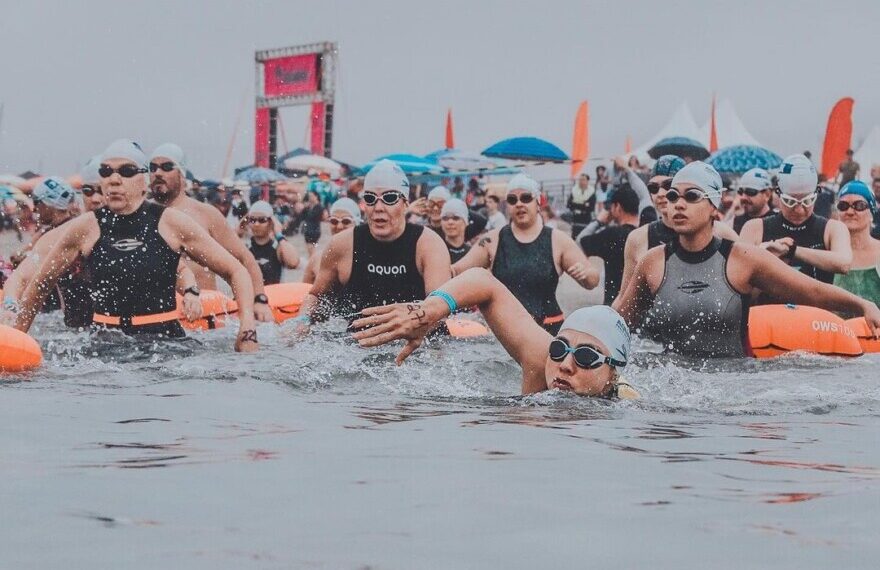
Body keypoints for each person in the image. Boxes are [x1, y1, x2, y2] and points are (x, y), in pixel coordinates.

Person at [8, 139, 258, 351]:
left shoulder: (171, 223)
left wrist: (247, 330)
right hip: (105, 346)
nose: (114, 179)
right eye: (106, 172)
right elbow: (40, 285)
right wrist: (17, 342)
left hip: (166, 345)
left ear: (144, 180)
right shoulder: (85, 228)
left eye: (126, 171)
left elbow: (235, 270)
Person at [613, 161, 880, 357]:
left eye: (692, 196)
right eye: (673, 196)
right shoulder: (653, 262)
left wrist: (862, 305)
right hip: (672, 386)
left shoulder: (741, 258)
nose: (678, 204)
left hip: (733, 388)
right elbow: (618, 322)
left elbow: (809, 290)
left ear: (714, 207)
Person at [348, 269, 637, 398]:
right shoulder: (541, 361)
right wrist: (431, 310)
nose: (565, 364)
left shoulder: (628, 405)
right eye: (559, 348)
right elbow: (484, 282)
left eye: (586, 356)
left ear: (612, 373)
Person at [296, 160, 450, 328]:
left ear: (406, 204)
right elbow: (317, 296)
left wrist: (411, 320)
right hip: (356, 347)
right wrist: (301, 323)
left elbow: (440, 309)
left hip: (415, 346)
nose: (378, 207)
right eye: (370, 199)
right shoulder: (342, 245)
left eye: (389, 198)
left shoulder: (429, 245)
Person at [452, 174, 600, 334]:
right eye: (512, 200)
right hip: (504, 332)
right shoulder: (492, 240)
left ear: (538, 202)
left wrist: (585, 275)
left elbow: (593, 280)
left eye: (526, 198)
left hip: (548, 329)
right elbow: (457, 272)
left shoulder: (557, 240)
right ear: (507, 205)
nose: (519, 204)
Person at [148, 143, 275, 323]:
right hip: (158, 319)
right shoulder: (141, 216)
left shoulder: (205, 214)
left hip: (205, 319)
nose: (158, 173)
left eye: (167, 167)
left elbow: (244, 258)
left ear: (182, 174)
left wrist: (259, 299)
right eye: (152, 168)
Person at [618, 155, 737, 297]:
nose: (661, 194)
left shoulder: (721, 232)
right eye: (653, 188)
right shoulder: (638, 238)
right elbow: (625, 300)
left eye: (668, 186)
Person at [740, 154, 851, 300]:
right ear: (777, 194)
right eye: (790, 201)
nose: (799, 209)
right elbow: (739, 288)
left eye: (807, 201)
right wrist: (765, 260)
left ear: (817, 193)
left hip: (814, 320)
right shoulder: (754, 228)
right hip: (768, 320)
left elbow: (843, 263)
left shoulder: (833, 229)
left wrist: (792, 250)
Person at [578, 185, 640, 305]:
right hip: (641, 306)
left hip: (615, 305)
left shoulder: (612, 235)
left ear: (618, 207)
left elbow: (579, 243)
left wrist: (598, 222)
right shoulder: (647, 231)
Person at [832, 181, 880, 312]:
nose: (850, 211)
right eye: (843, 206)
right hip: (836, 331)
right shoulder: (828, 253)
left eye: (859, 205)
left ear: (872, 213)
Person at [302, 197, 361, 284]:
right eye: (334, 221)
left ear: (357, 224)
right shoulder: (317, 259)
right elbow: (305, 293)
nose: (339, 226)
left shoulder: (366, 258)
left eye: (346, 221)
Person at [245, 200, 300, 286]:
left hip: (273, 297)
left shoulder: (277, 247)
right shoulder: (245, 247)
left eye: (262, 220)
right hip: (250, 297)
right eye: (252, 220)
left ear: (271, 223)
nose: (256, 224)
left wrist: (279, 235)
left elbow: (293, 262)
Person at [732, 168, 775, 234]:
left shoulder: (777, 222)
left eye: (750, 191)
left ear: (767, 195)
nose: (743, 197)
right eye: (740, 192)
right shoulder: (736, 222)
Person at [439, 199, 471, 263]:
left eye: (456, 218)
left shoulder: (472, 253)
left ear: (465, 222)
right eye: (445, 218)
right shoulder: (436, 250)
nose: (450, 222)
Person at [567, 173, 595, 238]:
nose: (581, 182)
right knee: (575, 236)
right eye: (580, 180)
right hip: (576, 217)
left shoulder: (591, 192)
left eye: (583, 180)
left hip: (586, 218)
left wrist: (576, 204)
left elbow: (591, 208)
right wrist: (583, 205)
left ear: (587, 181)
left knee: (585, 236)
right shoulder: (574, 190)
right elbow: (569, 205)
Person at [301, 190, 325, 258]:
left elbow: (313, 217)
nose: (310, 198)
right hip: (308, 230)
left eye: (311, 196)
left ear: (316, 196)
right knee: (309, 250)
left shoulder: (319, 207)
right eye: (309, 196)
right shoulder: (310, 207)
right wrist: (305, 208)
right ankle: (311, 263)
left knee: (311, 249)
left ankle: (312, 263)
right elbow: (303, 216)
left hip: (314, 230)